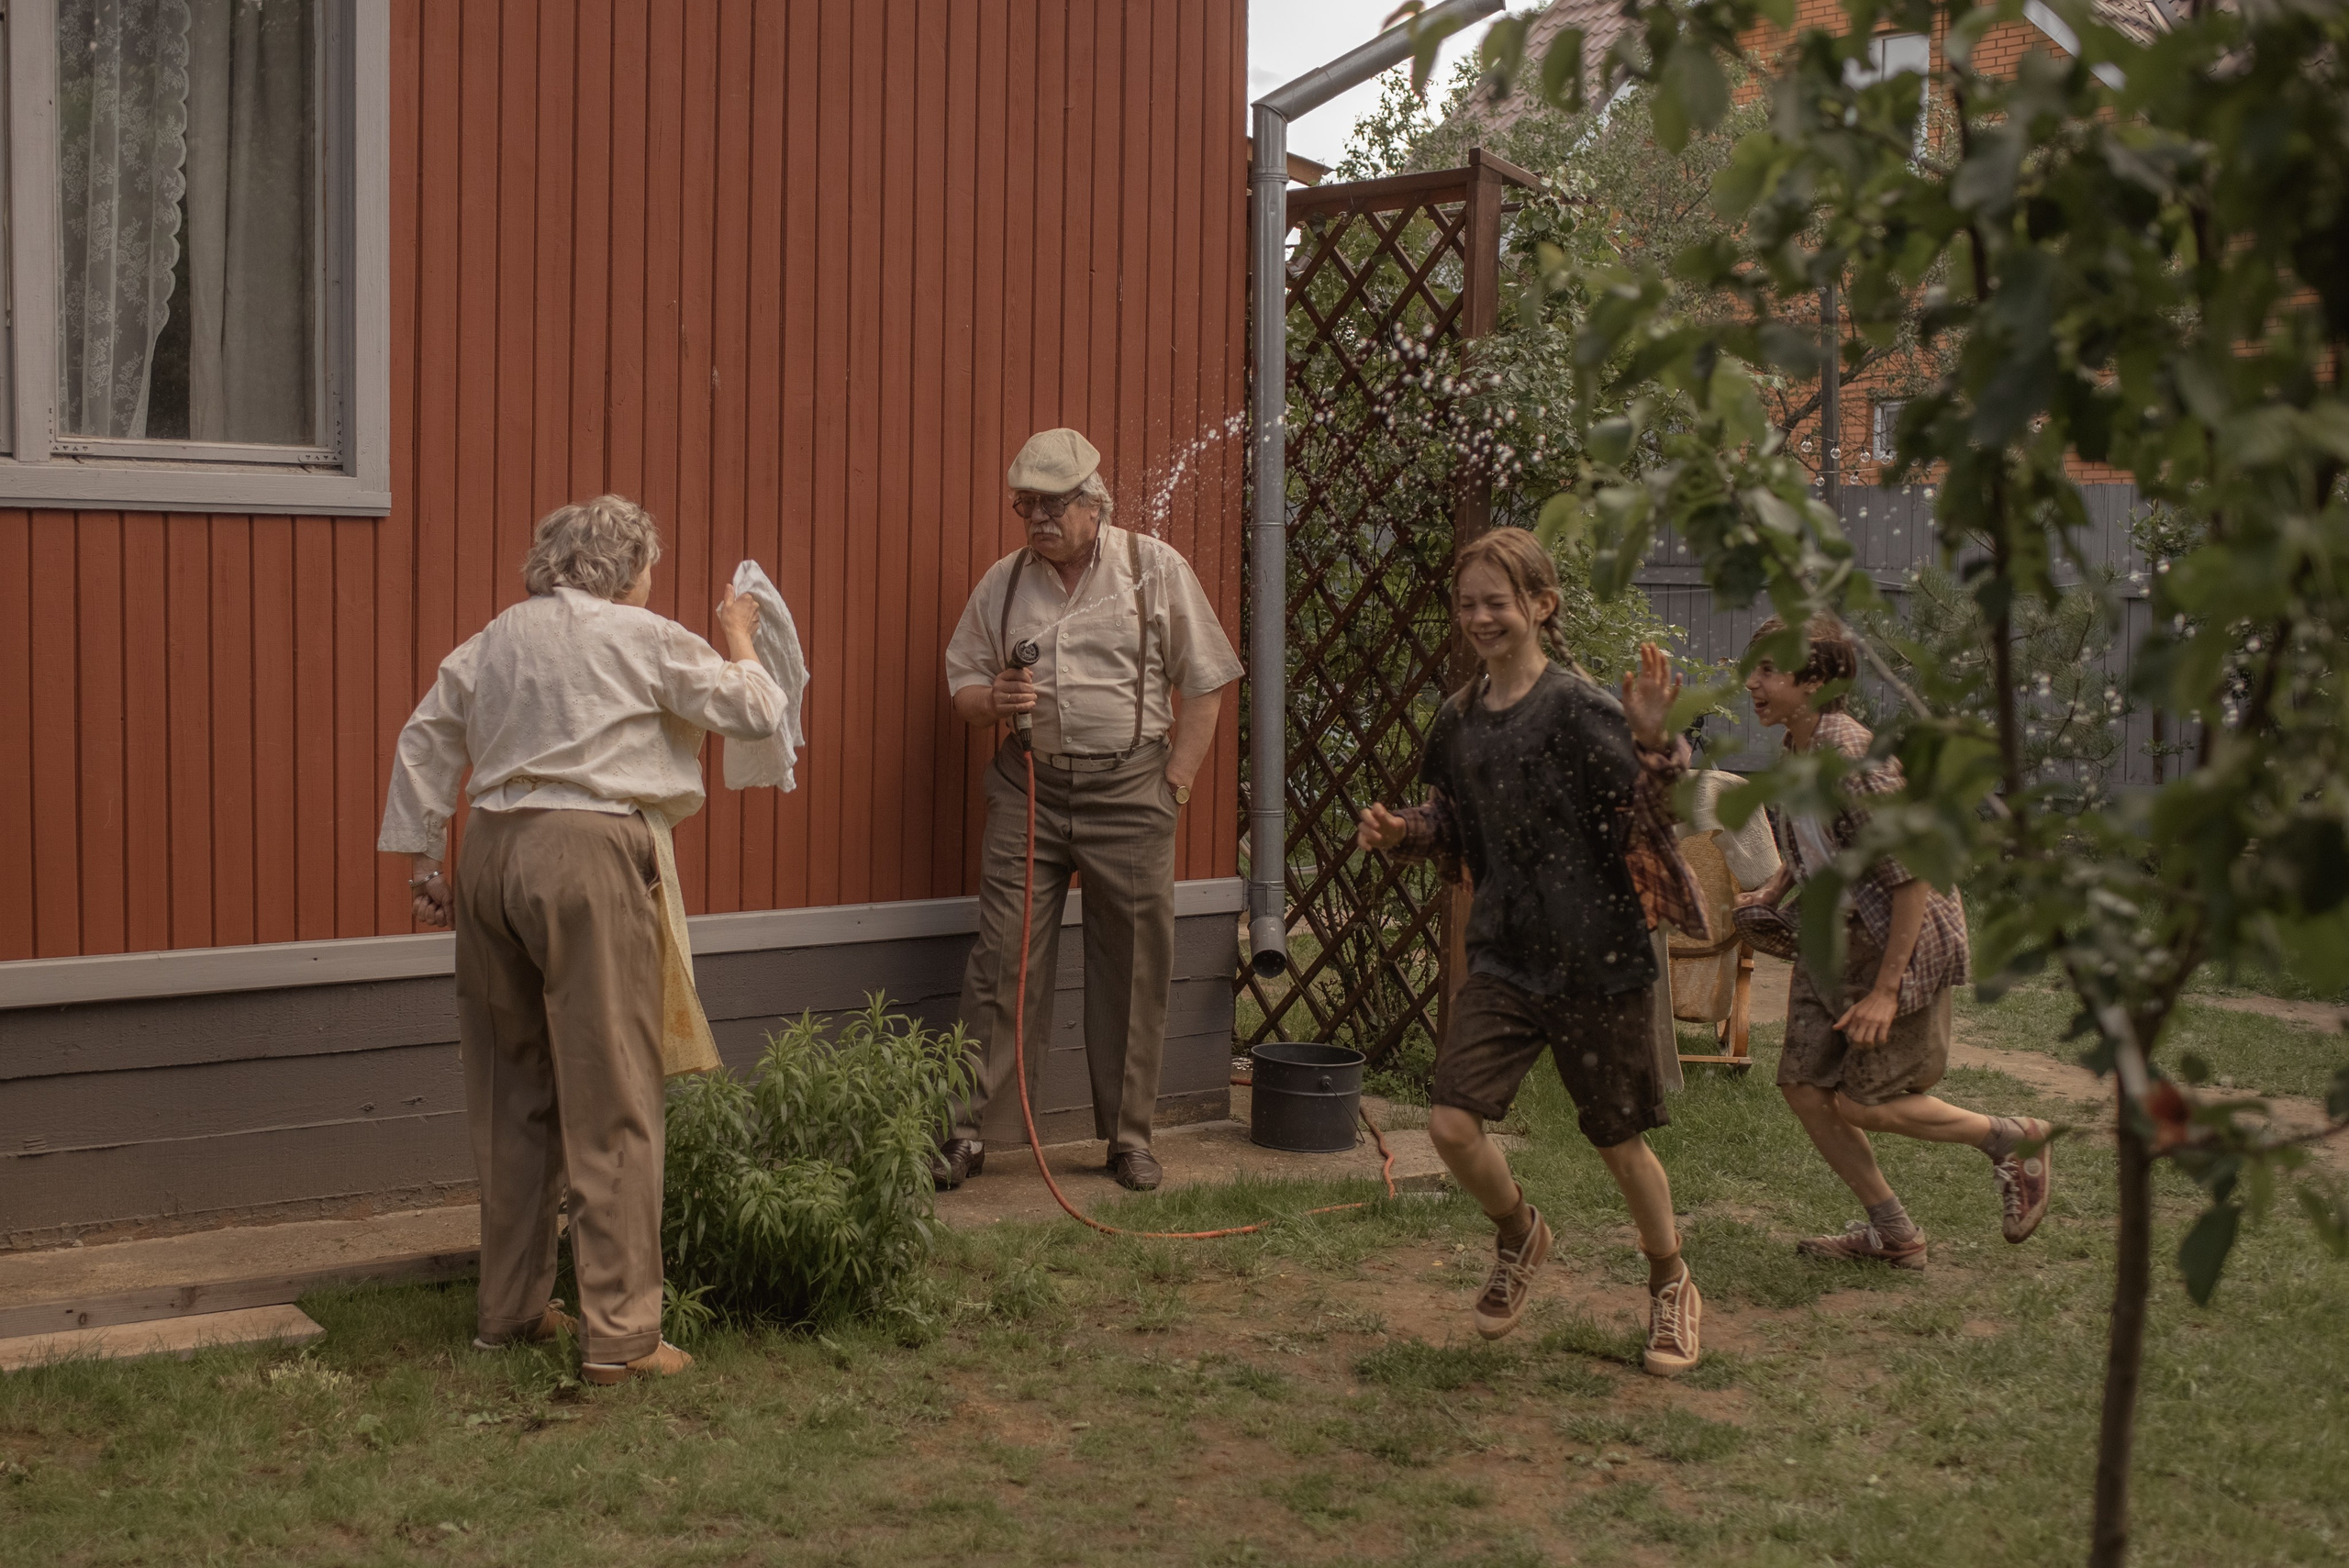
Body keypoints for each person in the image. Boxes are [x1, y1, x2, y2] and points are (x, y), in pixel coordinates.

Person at [379, 495, 785, 1383]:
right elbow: (756, 710)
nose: (651, 583)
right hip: (587, 856)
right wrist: (738, 631)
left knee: (509, 1088)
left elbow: (424, 740)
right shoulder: (638, 634)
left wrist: (422, 869)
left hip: (487, 854)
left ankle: (510, 1312)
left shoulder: (497, 636)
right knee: (613, 1099)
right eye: (649, 568)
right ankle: (623, 1336)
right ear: (625, 568)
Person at [1355, 528, 1709, 1376]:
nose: (1480, 617)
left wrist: (1659, 742)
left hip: (1599, 957)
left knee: (1618, 1141)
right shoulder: (1459, 721)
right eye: (1468, 603)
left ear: (1542, 607)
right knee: (1448, 1121)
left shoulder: (1582, 711)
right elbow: (1452, 816)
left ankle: (1671, 1280)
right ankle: (1520, 1232)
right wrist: (1405, 829)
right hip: (1508, 954)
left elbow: (1658, 811)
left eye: (1498, 602)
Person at [938, 428, 1242, 1192]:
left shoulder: (1151, 568)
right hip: (1028, 786)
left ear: (1092, 502)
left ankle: (1128, 1137)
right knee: (1002, 957)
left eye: (1051, 503)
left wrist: (1175, 779)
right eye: (1025, 504)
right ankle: (968, 1131)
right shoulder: (1004, 583)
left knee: (1135, 962)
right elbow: (964, 686)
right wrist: (992, 700)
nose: (1036, 518)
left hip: (1132, 788)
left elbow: (1206, 678)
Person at [1734, 614, 2052, 1268]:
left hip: (1892, 944)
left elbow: (1915, 875)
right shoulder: (1799, 745)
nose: (1751, 682)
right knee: (1803, 1086)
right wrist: (1773, 888)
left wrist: (1886, 990)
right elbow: (1820, 834)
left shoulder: (1854, 759)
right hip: (1830, 939)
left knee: (1865, 1100)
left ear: (1815, 681)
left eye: (1768, 669)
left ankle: (2012, 1139)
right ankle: (1894, 1233)